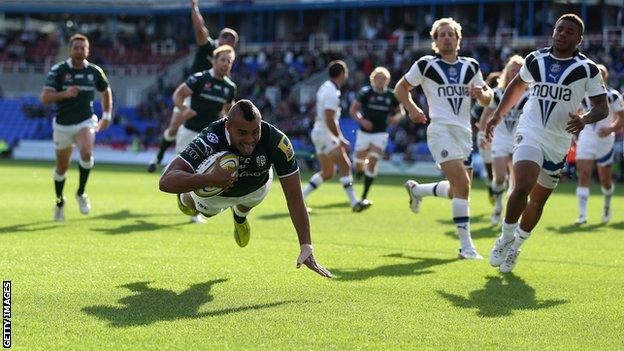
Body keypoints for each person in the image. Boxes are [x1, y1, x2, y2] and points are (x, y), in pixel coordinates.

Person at [486, 14, 608, 273]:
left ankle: (517, 245)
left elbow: (602, 107)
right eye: (559, 29)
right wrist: (497, 115)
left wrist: (585, 119)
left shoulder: (588, 69)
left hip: (560, 140)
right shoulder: (535, 59)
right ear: (553, 32)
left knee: (538, 202)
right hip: (530, 131)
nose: (563, 34)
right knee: (522, 187)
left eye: (569, 32)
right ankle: (505, 238)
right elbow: (517, 86)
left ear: (579, 39)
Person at [159, 100, 332, 278]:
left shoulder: (277, 141)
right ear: (228, 125)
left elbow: (295, 196)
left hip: (257, 187)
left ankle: (240, 217)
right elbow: (165, 181)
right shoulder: (210, 138)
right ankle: (184, 198)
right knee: (194, 207)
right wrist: (211, 178)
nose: (250, 139)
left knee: (248, 202)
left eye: (255, 131)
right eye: (242, 133)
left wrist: (306, 245)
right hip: (216, 193)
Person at [394, 18, 493, 259]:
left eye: (451, 34)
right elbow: (400, 88)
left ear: (458, 40)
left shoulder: (471, 66)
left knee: (458, 191)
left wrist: (483, 94)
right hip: (440, 130)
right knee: (463, 186)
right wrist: (412, 108)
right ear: (435, 41)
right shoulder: (426, 64)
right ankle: (466, 247)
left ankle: (417, 191)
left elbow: (488, 98)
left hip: (464, 133)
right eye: (442, 35)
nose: (447, 37)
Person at [147, 0, 238, 173]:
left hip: (210, 100)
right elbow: (200, 29)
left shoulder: (227, 62)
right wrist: (194, 7)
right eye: (225, 39)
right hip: (193, 92)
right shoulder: (208, 47)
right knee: (174, 126)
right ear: (219, 39)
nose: (227, 44)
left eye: (231, 43)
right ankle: (158, 157)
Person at [40, 34, 112, 222]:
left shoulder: (95, 71)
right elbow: (45, 98)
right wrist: (65, 93)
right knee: (61, 168)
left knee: (86, 152)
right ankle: (59, 202)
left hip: (85, 121)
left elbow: (106, 91)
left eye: (83, 48)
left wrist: (107, 115)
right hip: (63, 124)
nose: (79, 51)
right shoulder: (59, 70)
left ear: (87, 50)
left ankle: (81, 192)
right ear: (70, 50)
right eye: (76, 48)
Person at [170, 44, 237, 223]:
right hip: (189, 132)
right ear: (214, 61)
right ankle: (183, 197)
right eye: (222, 60)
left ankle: (195, 209)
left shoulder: (230, 87)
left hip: (210, 137)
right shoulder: (200, 78)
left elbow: (230, 111)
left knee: (204, 172)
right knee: (184, 170)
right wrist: (183, 109)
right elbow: (178, 94)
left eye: (229, 62)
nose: (225, 64)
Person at [302, 60, 371, 212]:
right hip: (325, 133)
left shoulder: (326, 87)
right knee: (345, 165)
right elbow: (329, 118)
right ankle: (354, 203)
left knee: (328, 172)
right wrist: (340, 139)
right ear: (342, 74)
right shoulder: (331, 92)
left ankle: (301, 197)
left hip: (319, 131)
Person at [478, 56, 527, 225]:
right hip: (501, 138)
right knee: (499, 177)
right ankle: (498, 207)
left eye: (519, 69)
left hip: (521, 139)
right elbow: (485, 116)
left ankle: (511, 214)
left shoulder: (530, 94)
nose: (515, 72)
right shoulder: (498, 93)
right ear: (507, 72)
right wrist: (482, 135)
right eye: (512, 69)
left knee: (517, 182)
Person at [574, 64, 624, 225]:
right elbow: (576, 113)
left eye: (602, 73)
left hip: (605, 140)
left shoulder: (613, 95)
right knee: (584, 175)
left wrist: (610, 128)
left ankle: (607, 204)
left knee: (605, 180)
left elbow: (621, 118)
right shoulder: (582, 95)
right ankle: (582, 215)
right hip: (586, 138)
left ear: (606, 77)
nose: (599, 76)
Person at [349, 66, 403, 201]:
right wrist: (362, 121)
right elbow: (353, 110)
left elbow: (400, 112)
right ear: (373, 79)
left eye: (384, 78)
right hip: (364, 133)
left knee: (373, 160)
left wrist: (395, 118)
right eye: (378, 77)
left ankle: (364, 195)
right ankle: (359, 172)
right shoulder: (366, 92)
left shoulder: (391, 95)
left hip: (380, 133)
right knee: (359, 163)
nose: (381, 80)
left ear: (388, 80)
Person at [472, 72, 501, 207]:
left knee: (501, 167)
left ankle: (498, 191)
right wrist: (480, 131)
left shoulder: (508, 97)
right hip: (485, 136)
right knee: (490, 169)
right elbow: (473, 118)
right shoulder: (483, 103)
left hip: (502, 136)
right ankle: (491, 188)